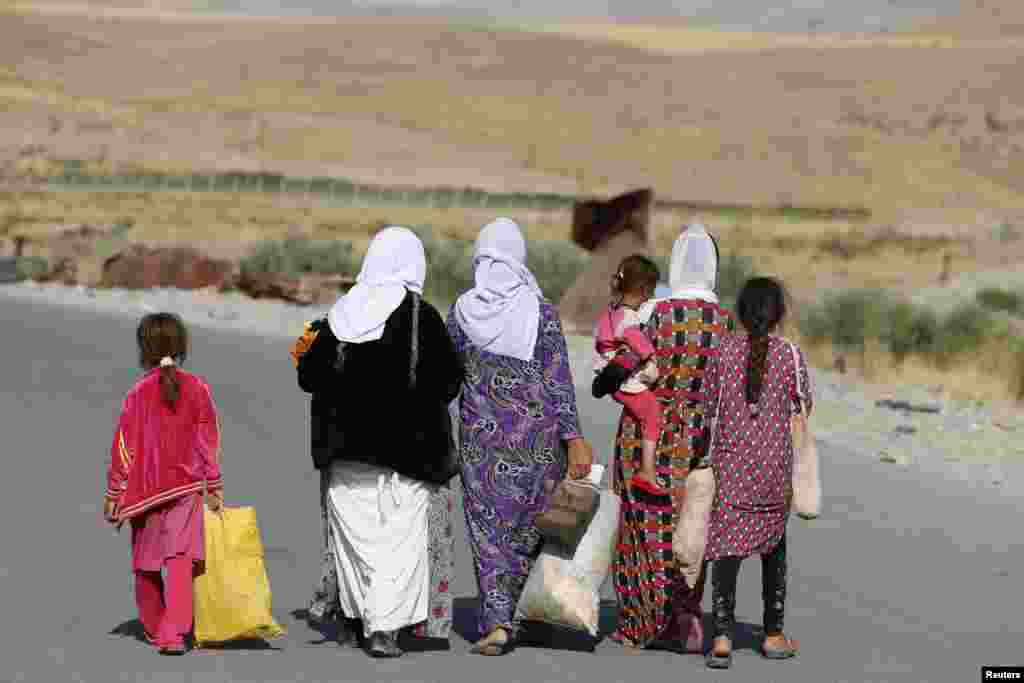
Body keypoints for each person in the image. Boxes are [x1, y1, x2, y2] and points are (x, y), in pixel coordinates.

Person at [295, 226, 464, 658]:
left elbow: (308, 377)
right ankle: (383, 626)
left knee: (359, 540)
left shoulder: (339, 315)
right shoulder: (420, 316)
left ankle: (368, 618)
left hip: (343, 451)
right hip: (410, 451)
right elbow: (448, 383)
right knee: (399, 541)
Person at [448, 217, 594, 656]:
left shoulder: (461, 312)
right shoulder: (540, 311)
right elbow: (558, 380)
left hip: (481, 446)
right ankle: (525, 614)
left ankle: (498, 621)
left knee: (489, 533)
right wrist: (574, 439)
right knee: (531, 528)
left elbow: (448, 376)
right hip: (537, 446)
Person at [610, 223, 736, 653]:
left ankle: (639, 622)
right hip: (697, 436)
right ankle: (686, 617)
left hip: (646, 430)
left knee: (643, 523)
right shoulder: (724, 321)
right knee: (688, 524)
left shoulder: (658, 313)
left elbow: (628, 362)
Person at [701, 276, 810, 669]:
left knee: (726, 551)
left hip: (730, 470)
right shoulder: (791, 356)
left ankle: (723, 637)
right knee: (773, 550)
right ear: (778, 315)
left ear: (742, 314)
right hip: (774, 474)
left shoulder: (722, 353)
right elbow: (804, 407)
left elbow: (706, 407)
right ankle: (774, 633)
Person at [102, 312, 224, 656]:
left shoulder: (137, 394)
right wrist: (213, 485)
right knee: (180, 562)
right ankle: (174, 633)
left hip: (145, 494)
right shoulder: (198, 389)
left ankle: (156, 627)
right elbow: (207, 441)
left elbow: (123, 449)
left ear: (144, 348)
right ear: (182, 346)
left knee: (145, 563)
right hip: (185, 491)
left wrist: (114, 493)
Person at [593, 254, 664, 494]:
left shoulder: (611, 312)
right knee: (652, 414)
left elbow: (602, 338)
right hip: (624, 381)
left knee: (643, 414)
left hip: (609, 376)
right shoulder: (630, 318)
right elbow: (635, 339)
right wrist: (650, 354)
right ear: (643, 290)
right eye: (650, 291)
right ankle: (647, 470)